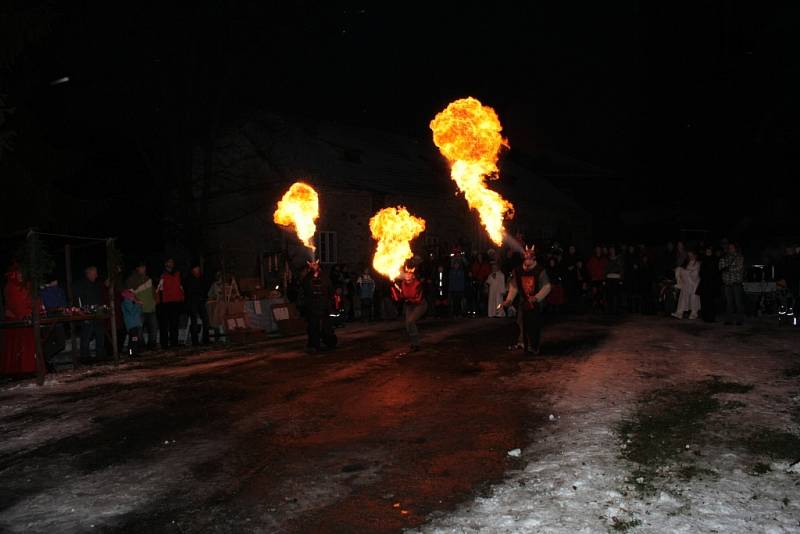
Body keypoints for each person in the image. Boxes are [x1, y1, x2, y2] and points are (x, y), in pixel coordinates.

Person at [500, 245, 552, 355]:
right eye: (526, 258)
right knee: (522, 323)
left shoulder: (540, 270)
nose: (527, 261)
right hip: (523, 303)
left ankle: (534, 347)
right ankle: (526, 346)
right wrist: (509, 300)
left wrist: (537, 297)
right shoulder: (519, 271)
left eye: (530, 259)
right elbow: (514, 286)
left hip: (536, 304)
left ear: (534, 259)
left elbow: (547, 287)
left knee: (534, 325)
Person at [1, 261, 38, 375]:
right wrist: (26, 313)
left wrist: (35, 309)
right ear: (14, 274)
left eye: (22, 273)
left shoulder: (26, 285)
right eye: (18, 273)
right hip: (17, 322)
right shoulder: (11, 286)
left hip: (26, 320)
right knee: (18, 347)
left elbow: (32, 300)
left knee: (29, 346)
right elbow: (16, 305)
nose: (21, 275)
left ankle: (30, 368)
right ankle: (22, 370)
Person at [300, 259, 336, 353]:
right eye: (312, 266)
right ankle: (314, 344)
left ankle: (328, 342)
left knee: (326, 325)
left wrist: (330, 301)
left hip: (323, 306)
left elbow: (331, 290)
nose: (314, 267)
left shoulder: (324, 278)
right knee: (313, 326)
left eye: (315, 265)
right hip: (313, 306)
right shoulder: (307, 279)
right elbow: (304, 292)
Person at [391, 261, 427, 351]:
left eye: (409, 274)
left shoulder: (418, 284)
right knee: (408, 325)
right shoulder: (402, 284)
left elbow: (418, 298)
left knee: (411, 321)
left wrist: (408, 300)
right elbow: (399, 297)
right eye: (405, 274)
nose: (407, 275)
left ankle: (417, 344)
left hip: (420, 305)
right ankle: (413, 343)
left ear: (413, 276)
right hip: (409, 305)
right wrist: (393, 287)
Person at [72, 266, 107, 360]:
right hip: (86, 314)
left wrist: (101, 308)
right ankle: (85, 357)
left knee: (100, 335)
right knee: (86, 336)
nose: (96, 275)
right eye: (94, 273)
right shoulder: (80, 285)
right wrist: (80, 311)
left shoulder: (96, 285)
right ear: (89, 273)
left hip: (97, 314)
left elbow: (99, 298)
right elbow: (76, 299)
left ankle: (100, 356)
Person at [125, 261, 158, 350]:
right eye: (142, 267)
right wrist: (136, 303)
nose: (144, 269)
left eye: (144, 267)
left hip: (151, 309)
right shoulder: (131, 280)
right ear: (137, 268)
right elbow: (128, 295)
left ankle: (151, 347)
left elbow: (153, 292)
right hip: (139, 310)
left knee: (153, 329)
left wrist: (155, 301)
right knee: (137, 332)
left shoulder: (148, 279)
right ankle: (136, 349)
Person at [156, 258, 184, 349]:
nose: (171, 263)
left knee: (174, 324)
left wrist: (182, 297)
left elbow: (180, 287)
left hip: (175, 302)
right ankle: (164, 344)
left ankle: (174, 343)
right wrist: (159, 303)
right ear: (165, 264)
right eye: (169, 262)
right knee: (164, 325)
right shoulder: (162, 275)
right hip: (165, 303)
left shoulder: (177, 274)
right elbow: (158, 289)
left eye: (172, 262)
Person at [184, 262, 210, 346]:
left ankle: (206, 339)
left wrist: (204, 297)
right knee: (194, 321)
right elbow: (188, 291)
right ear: (192, 270)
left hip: (201, 301)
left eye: (198, 268)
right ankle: (195, 341)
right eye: (196, 268)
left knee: (205, 319)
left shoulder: (202, 277)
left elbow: (205, 288)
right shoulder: (189, 278)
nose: (197, 270)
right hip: (192, 302)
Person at [719, 243, 745, 325]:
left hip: (736, 283)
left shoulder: (739, 257)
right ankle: (729, 320)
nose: (730, 249)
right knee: (729, 303)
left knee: (738, 302)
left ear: (735, 248)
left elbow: (739, 268)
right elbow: (720, 267)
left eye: (732, 247)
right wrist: (727, 268)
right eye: (729, 247)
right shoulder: (725, 257)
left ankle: (739, 320)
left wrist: (728, 268)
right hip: (727, 283)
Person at [673, 250, 701, 319]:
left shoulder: (697, 263)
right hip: (687, 283)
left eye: (691, 255)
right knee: (683, 297)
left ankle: (694, 313)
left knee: (693, 298)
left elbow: (696, 274)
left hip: (694, 283)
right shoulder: (687, 263)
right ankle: (679, 312)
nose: (690, 257)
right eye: (689, 255)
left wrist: (688, 273)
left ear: (695, 255)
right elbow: (681, 269)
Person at [697, 246, 721, 322]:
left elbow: (716, 272)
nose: (708, 252)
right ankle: (705, 317)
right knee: (704, 301)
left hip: (711, 284)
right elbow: (701, 272)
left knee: (711, 301)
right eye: (707, 251)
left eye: (709, 251)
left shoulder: (715, 260)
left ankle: (711, 317)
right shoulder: (703, 260)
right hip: (704, 283)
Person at [120, 289, 143, 357]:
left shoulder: (131, 303)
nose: (134, 297)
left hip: (135, 325)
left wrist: (139, 306)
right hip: (131, 326)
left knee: (133, 340)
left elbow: (138, 312)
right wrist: (137, 304)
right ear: (128, 296)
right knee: (133, 340)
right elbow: (132, 312)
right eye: (132, 296)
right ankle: (131, 353)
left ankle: (133, 353)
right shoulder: (126, 303)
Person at [604, 246, 624, 314]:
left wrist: (621, 279)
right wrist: (606, 277)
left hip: (616, 279)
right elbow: (606, 269)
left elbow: (620, 269)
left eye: (613, 250)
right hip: (609, 279)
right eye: (611, 250)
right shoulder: (608, 259)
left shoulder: (619, 258)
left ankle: (617, 310)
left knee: (617, 295)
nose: (612, 251)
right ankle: (610, 309)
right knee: (609, 295)